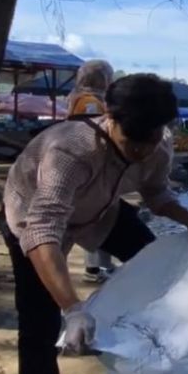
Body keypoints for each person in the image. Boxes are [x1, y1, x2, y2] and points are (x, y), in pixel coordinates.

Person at [1, 74, 188, 374]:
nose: (140, 150)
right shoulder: (70, 150)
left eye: (149, 140)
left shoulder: (157, 144)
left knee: (158, 270)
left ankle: (152, 352)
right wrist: (72, 307)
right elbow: (44, 227)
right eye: (131, 141)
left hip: (101, 212)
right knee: (38, 324)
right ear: (109, 118)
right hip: (31, 219)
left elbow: (156, 193)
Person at [66, 60, 117, 283]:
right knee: (96, 216)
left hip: (90, 167)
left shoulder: (79, 97)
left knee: (99, 216)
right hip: (91, 167)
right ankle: (95, 267)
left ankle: (100, 264)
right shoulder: (89, 102)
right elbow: (90, 132)